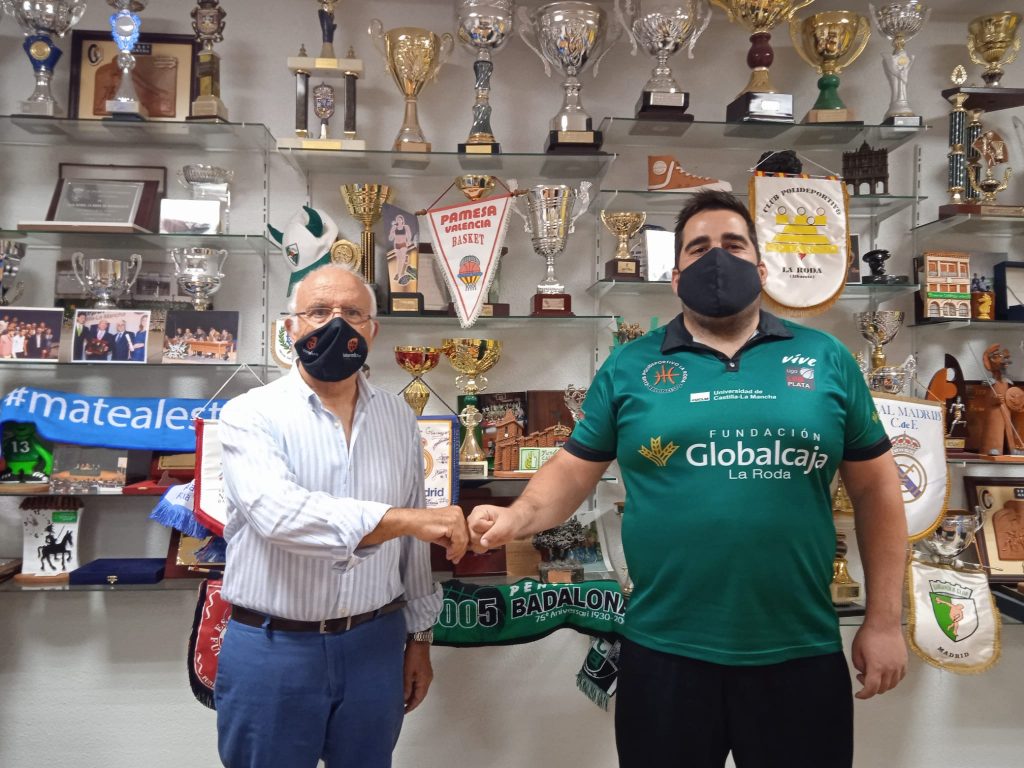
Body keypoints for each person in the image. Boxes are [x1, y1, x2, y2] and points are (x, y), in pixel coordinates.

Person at [467, 190, 909, 768]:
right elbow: (572, 469)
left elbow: (877, 490)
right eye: (699, 249)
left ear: (762, 268)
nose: (717, 259)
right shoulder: (630, 365)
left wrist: (884, 621)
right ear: (675, 277)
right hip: (664, 652)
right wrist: (518, 516)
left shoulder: (826, 358)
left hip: (799, 649)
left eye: (734, 244)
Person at [215, 263, 468, 768]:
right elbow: (280, 516)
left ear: (372, 330)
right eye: (318, 312)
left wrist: (420, 637)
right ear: (290, 327)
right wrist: (404, 520)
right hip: (274, 648)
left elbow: (413, 545)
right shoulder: (249, 413)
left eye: (352, 313)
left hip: (375, 646)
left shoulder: (398, 416)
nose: (336, 324)